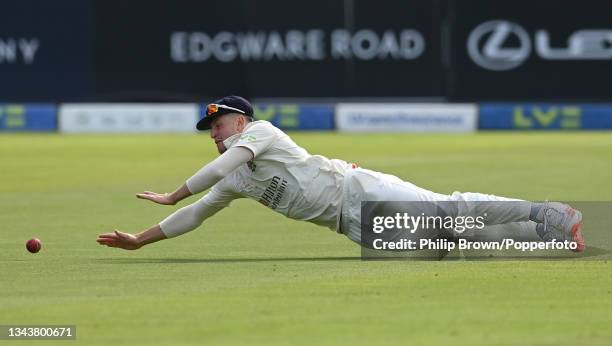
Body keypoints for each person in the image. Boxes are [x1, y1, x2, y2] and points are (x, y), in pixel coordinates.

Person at [96, 96, 585, 253]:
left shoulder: (261, 133)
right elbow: (198, 215)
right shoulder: (236, 180)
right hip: (349, 225)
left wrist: (171, 193)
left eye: (217, 124)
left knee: (450, 208)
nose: (213, 133)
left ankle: (547, 211)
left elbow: (222, 165)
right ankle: (543, 233)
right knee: (450, 240)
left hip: (359, 187)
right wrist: (141, 239)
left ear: (239, 122)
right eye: (209, 129)